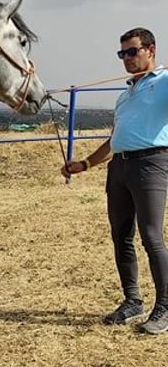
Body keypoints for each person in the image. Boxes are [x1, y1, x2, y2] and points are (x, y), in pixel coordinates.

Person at [62, 27, 168, 334]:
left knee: (151, 236)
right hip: (119, 167)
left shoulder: (163, 83)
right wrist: (84, 163)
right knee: (121, 235)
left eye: (133, 51)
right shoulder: (125, 95)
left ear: (151, 50)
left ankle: (164, 307)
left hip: (151, 163)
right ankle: (132, 301)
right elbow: (114, 140)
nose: (127, 58)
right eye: (122, 53)